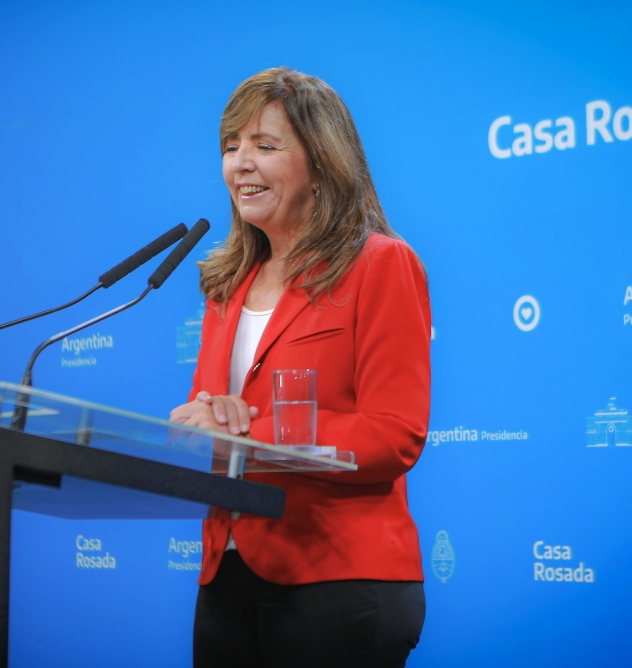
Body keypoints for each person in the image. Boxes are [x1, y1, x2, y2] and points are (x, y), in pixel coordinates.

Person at [169, 67, 431, 668]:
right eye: (231, 146)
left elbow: (394, 434)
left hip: (338, 575)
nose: (240, 163)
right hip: (226, 574)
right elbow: (205, 424)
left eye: (264, 146)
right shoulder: (225, 287)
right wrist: (193, 426)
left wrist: (247, 436)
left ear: (321, 162)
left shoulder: (380, 265)